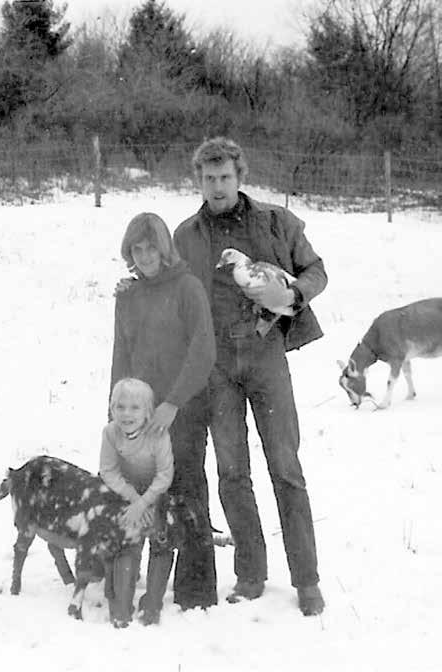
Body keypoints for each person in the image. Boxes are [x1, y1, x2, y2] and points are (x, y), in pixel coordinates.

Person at [173, 137, 327, 616]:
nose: (217, 187)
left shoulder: (277, 221)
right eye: (209, 178)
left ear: (240, 177)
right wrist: (131, 287)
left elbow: (315, 270)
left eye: (225, 177)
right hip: (216, 366)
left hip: (265, 357)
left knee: (286, 468)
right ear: (198, 181)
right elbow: (166, 286)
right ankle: (250, 572)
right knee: (232, 472)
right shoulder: (186, 235)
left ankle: (307, 580)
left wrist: (293, 296)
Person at [109, 212, 218, 613]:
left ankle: (195, 591)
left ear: (164, 248)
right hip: (138, 414)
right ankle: (127, 580)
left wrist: (173, 403)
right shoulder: (129, 296)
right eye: (137, 250)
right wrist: (116, 414)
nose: (145, 256)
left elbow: (203, 350)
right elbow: (121, 355)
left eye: (151, 248)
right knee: (136, 492)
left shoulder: (188, 288)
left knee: (185, 496)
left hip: (182, 409)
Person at [100, 377, 174, 627]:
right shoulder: (110, 433)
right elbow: (108, 471)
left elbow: (164, 475)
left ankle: (152, 603)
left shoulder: (158, 434)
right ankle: (122, 603)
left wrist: (144, 504)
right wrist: (133, 499)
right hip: (125, 493)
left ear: (147, 411)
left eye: (134, 408)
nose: (126, 414)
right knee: (127, 534)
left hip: (156, 493)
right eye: (120, 407)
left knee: (160, 534)